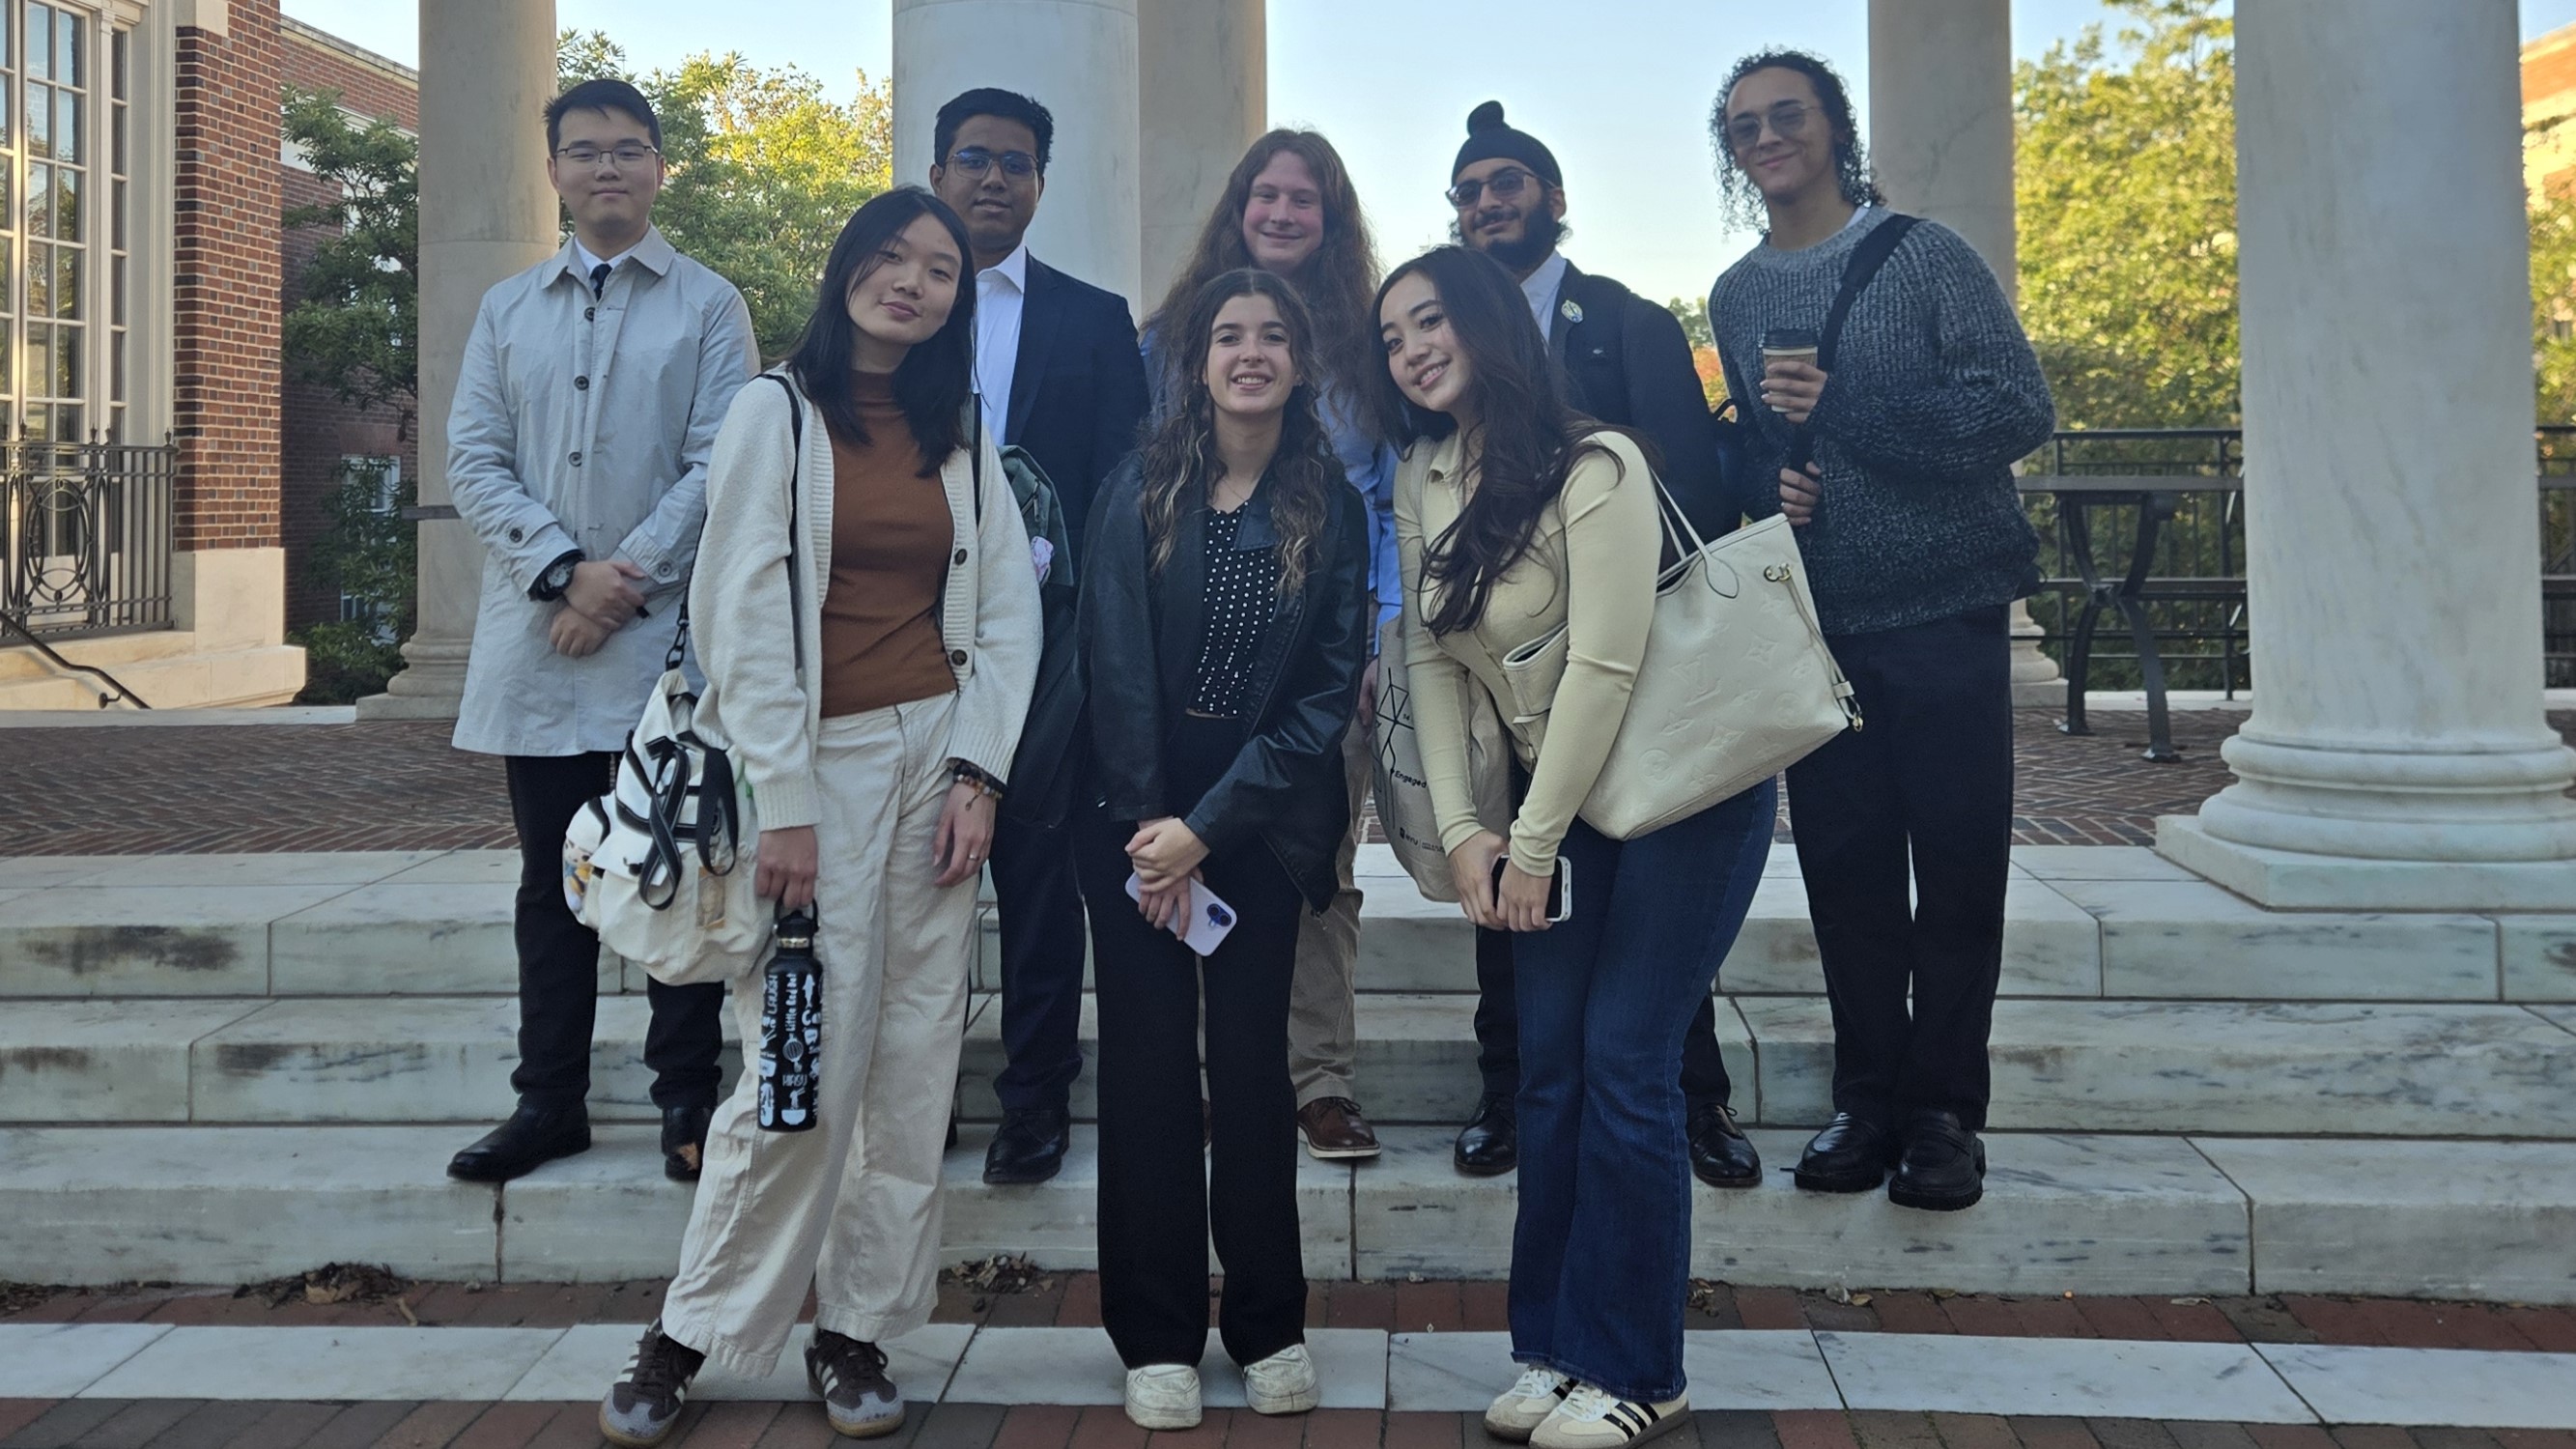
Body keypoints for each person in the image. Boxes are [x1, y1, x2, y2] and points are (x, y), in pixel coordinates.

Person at [597, 187, 1041, 1447]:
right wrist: (783, 800)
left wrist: (980, 774)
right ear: (847, 268)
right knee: (798, 1064)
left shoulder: (960, 431)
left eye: (940, 270)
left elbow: (1009, 611)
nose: (913, 282)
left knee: (913, 1062)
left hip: (936, 766)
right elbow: (736, 610)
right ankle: (687, 1330)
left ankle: (857, 1330)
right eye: (891, 257)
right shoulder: (775, 412)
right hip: (815, 772)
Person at [1382, 245, 1775, 1449]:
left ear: (1489, 321)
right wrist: (1463, 830)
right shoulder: (1423, 474)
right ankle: (1554, 1350)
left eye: (1429, 321)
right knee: (1547, 1068)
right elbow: (1431, 660)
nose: (1410, 349)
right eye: (1391, 337)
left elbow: (1604, 666)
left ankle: (1640, 1368)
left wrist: (1532, 844)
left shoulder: (1597, 462)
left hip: (1678, 794)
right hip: (1550, 810)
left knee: (1626, 1063)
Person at [1707, 50, 2053, 1212]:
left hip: (1946, 611)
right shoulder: (1737, 293)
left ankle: (1943, 1112)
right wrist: (1770, 481)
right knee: (1846, 876)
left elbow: (2017, 409)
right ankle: (1865, 1098)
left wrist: (1848, 405)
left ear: (1834, 127)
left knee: (1956, 868)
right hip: (1822, 623)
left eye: (1787, 115)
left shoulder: (1925, 256)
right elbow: (1763, 447)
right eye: (1745, 126)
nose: (1768, 137)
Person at [444, 78, 755, 1189]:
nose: (606, 167)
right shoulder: (507, 311)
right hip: (541, 644)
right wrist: (565, 575)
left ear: (660, 167)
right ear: (555, 172)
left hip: (661, 647)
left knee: (679, 863)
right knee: (552, 881)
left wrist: (619, 585)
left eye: (628, 149)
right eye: (584, 150)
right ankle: (549, 1100)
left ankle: (687, 1099)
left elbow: (721, 462)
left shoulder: (710, 306)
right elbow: (473, 459)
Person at [1443, 99, 1760, 1188]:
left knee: (1651, 892)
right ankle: (1506, 1093)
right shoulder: (1448, 338)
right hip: (1503, 671)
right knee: (1507, 876)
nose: (1487, 203)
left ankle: (1694, 1097)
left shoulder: (1626, 323)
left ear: (1553, 198)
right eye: (1469, 191)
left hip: (1636, 667)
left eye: (1507, 183)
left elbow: (1692, 488)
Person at [1079, 267, 1368, 1432]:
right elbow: (1109, 659)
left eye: (1274, 337)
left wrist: (1207, 828)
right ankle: (1155, 1334)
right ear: (1196, 363)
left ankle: (1266, 1322)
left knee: (1252, 1076)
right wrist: (1156, 829)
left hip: (1260, 821)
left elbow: (1324, 696)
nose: (1252, 353)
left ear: (1300, 363)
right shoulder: (1138, 486)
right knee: (1147, 1073)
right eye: (1230, 336)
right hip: (1133, 814)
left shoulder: (1330, 503)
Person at [1143, 129, 1396, 1162]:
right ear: (1238, 207)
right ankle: (1217, 1073)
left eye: (1305, 199)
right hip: (1200, 657)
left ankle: (1319, 1079)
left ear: (1331, 222)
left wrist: (1379, 633)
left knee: (1316, 867)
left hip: (1327, 654)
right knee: (1198, 850)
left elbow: (1389, 502)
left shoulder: (1370, 348)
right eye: (1267, 194)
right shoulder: (1168, 338)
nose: (1284, 213)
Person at [925, 87, 1153, 1187]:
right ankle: (914, 1093)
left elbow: (1124, 483)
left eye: (1015, 164)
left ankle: (1035, 1100)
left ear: (1040, 184)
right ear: (937, 175)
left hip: (1048, 652)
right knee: (912, 885)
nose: (993, 179)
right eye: (973, 159)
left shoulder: (1094, 318)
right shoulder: (896, 303)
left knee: (1036, 880)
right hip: (904, 639)